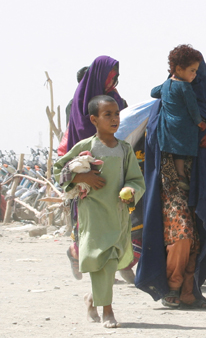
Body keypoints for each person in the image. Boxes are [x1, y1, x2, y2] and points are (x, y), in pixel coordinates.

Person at [136, 58, 206, 310]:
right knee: (181, 236)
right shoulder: (163, 105)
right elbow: (154, 138)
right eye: (191, 71)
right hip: (171, 182)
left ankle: (190, 292)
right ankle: (172, 285)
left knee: (200, 234)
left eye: (197, 73)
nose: (194, 77)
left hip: (202, 183)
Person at [53, 95, 145, 328]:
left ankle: (93, 299)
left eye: (116, 114)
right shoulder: (86, 146)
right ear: (94, 119)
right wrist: (82, 176)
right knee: (101, 259)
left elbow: (137, 180)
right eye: (108, 115)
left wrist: (129, 190)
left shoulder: (125, 149)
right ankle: (108, 311)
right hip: (92, 214)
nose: (114, 119)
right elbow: (57, 170)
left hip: (117, 213)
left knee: (112, 260)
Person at [63, 56, 126, 280]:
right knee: (89, 218)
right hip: (89, 171)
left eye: (115, 78)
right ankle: (78, 254)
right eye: (109, 77)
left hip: (115, 165)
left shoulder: (114, 99)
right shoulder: (80, 104)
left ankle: (110, 264)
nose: (113, 82)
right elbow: (81, 138)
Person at [150, 44, 206, 191]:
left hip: (167, 127)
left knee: (173, 152)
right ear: (179, 69)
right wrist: (199, 122)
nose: (194, 75)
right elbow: (192, 108)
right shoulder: (185, 87)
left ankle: (176, 175)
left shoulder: (167, 84)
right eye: (192, 71)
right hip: (183, 126)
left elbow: (153, 92)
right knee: (181, 152)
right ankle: (181, 174)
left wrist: (169, 79)